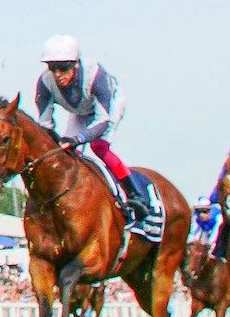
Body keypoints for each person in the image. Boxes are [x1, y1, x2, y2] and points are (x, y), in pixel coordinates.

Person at [32, 34, 153, 223]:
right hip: (81, 109)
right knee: (66, 155)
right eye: (52, 68)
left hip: (108, 107)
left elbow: (102, 121)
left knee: (99, 147)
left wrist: (78, 139)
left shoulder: (95, 75)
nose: (57, 75)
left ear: (76, 64)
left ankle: (134, 195)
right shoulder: (45, 83)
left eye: (63, 68)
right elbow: (45, 125)